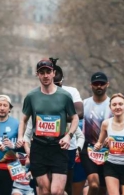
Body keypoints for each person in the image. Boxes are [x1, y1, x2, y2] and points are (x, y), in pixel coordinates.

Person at [16, 59, 78, 195]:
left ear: (53, 73)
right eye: (42, 72)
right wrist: (21, 137)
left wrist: (69, 136)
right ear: (37, 74)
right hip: (39, 147)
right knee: (44, 191)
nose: (45, 75)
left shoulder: (64, 96)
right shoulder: (32, 96)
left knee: (56, 191)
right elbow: (23, 119)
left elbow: (75, 118)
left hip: (59, 147)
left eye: (48, 72)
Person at [51, 60, 85, 195]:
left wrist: (58, 116)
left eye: (58, 83)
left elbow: (80, 113)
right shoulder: (40, 93)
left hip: (67, 144)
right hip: (47, 144)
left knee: (66, 185)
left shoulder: (71, 91)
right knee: (48, 186)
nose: (56, 86)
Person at [93, 94, 124, 195]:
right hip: (111, 165)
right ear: (110, 107)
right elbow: (99, 144)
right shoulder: (106, 124)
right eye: (114, 104)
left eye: (120, 104)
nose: (117, 107)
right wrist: (99, 145)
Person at [82, 72, 111, 195]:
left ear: (107, 85)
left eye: (102, 84)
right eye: (96, 84)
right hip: (89, 148)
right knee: (94, 185)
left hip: (108, 149)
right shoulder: (84, 103)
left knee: (103, 190)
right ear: (91, 85)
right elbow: (74, 124)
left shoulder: (113, 104)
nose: (99, 86)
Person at [0, 95, 22, 195]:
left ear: (9, 109)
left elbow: (22, 147)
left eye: (5, 105)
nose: (2, 108)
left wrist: (13, 145)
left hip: (10, 167)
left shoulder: (17, 124)